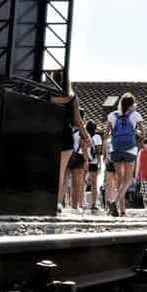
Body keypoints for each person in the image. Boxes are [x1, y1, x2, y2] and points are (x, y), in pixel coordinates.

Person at [50, 72, 91, 211]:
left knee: (50, 170)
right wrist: (86, 137)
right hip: (65, 135)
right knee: (61, 172)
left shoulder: (46, 94)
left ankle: (49, 200)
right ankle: (57, 203)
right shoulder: (72, 98)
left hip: (49, 133)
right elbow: (77, 122)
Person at [105, 93, 144, 217]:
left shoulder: (112, 115)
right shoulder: (135, 115)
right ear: (132, 104)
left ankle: (122, 210)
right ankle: (114, 202)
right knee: (127, 181)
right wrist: (134, 131)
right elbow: (143, 134)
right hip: (130, 149)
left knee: (119, 181)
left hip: (115, 149)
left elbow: (106, 135)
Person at [85, 120, 102, 210]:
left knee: (82, 183)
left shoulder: (84, 136)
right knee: (94, 184)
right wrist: (99, 164)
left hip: (84, 161)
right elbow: (99, 152)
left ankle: (81, 203)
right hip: (94, 162)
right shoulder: (97, 137)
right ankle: (93, 204)